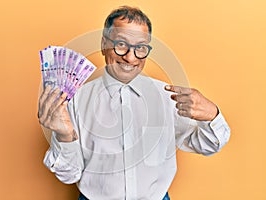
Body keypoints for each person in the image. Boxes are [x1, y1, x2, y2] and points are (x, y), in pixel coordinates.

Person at [38, 6, 230, 200]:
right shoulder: (75, 101)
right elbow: (70, 175)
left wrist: (212, 115)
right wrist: (64, 135)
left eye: (140, 48)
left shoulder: (169, 98)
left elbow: (208, 145)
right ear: (104, 43)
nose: (130, 57)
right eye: (121, 44)